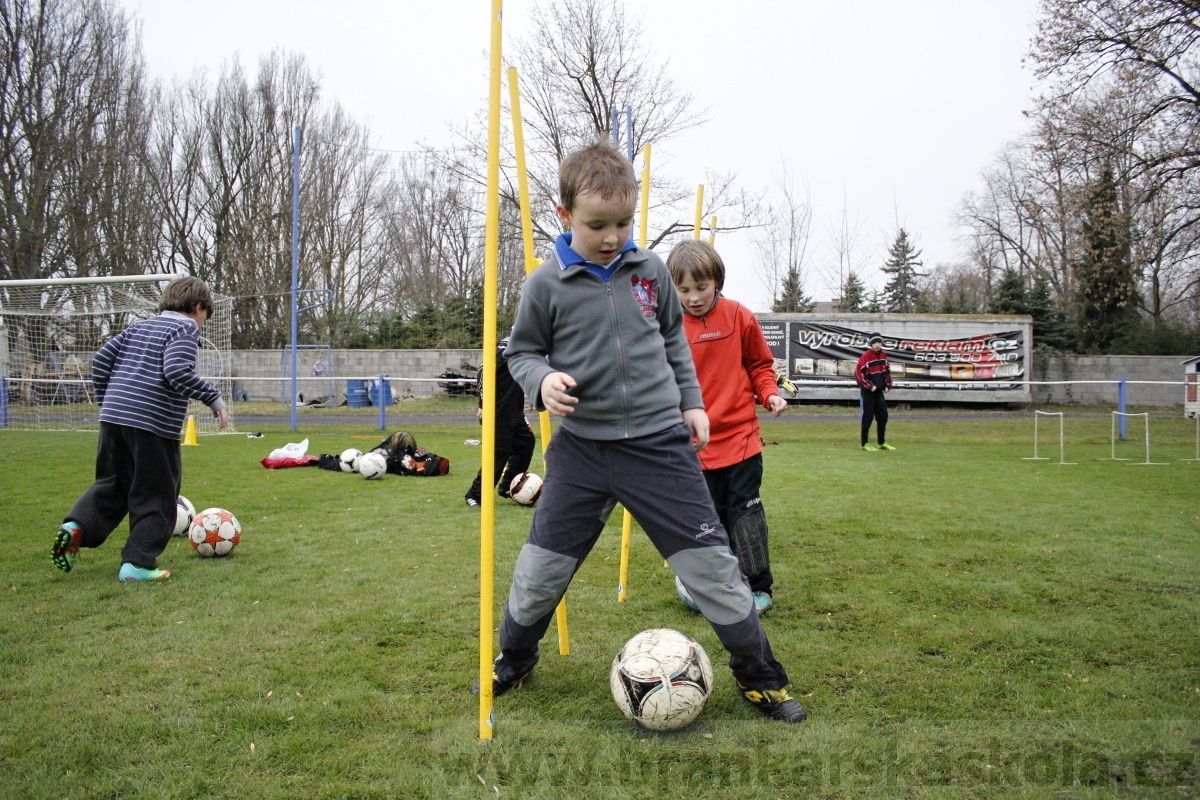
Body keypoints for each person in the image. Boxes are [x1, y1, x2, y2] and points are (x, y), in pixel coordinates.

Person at [484, 142, 805, 723]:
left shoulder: (651, 271)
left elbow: (673, 342)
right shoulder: (543, 286)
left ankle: (761, 679)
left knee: (713, 569)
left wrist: (691, 403)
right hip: (582, 452)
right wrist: (542, 380)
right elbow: (522, 353)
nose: (612, 237)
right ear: (565, 216)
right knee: (540, 572)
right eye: (596, 225)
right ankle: (514, 656)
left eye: (624, 223)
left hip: (660, 447)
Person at [51, 276, 229, 582]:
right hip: (152, 423)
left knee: (113, 482)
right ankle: (137, 564)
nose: (202, 324)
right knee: (158, 494)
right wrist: (213, 399)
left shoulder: (138, 327)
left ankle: (76, 526)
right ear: (198, 307)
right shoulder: (184, 328)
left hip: (113, 417)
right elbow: (176, 370)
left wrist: (109, 400)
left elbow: (101, 360)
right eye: (204, 317)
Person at [667, 239, 787, 616]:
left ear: (717, 280)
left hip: (742, 440)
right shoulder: (665, 326)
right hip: (693, 447)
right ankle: (706, 584)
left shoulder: (739, 316)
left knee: (744, 514)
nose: (694, 297)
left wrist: (769, 395)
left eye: (701, 287)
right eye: (683, 290)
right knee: (706, 521)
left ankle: (758, 586)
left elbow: (760, 366)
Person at [465, 337, 535, 507]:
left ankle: (508, 486)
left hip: (516, 412)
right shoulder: (506, 348)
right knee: (498, 455)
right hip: (498, 412)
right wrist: (483, 404)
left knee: (526, 443)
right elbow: (483, 370)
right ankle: (474, 495)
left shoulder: (527, 346)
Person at [855, 332, 895, 451]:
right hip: (868, 392)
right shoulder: (866, 356)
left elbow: (887, 371)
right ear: (871, 344)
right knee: (868, 417)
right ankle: (864, 443)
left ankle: (881, 442)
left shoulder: (883, 355)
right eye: (874, 343)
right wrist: (869, 386)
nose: (877, 345)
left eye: (879, 342)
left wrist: (888, 385)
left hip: (879, 392)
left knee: (883, 416)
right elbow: (858, 374)